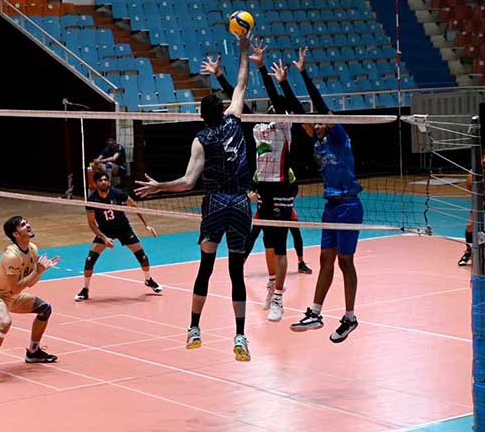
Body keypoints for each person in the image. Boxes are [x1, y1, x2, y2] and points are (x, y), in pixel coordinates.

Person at [136, 35, 253, 361]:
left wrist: (159, 186)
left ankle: (194, 328)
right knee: (237, 273)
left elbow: (188, 183)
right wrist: (243, 49)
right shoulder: (235, 120)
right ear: (223, 109)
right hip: (242, 204)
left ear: (202, 116)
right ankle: (240, 336)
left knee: (205, 267)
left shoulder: (201, 140)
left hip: (215, 205)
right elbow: (241, 84)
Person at [202, 39, 308, 323]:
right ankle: (272, 283)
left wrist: (262, 69)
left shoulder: (285, 125)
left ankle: (278, 299)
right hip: (262, 190)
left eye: (275, 106)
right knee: (268, 245)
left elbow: (277, 99)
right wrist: (219, 76)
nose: (271, 108)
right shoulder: (258, 126)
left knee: (281, 244)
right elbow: (237, 102)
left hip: (282, 188)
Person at [273, 48, 363, 343]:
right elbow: (300, 113)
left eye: (323, 119)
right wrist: (284, 83)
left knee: (344, 261)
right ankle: (315, 311)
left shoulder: (339, 137)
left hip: (350, 205)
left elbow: (318, 105)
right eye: (318, 121)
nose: (319, 122)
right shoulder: (317, 141)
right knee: (325, 259)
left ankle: (350, 317)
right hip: (331, 206)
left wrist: (303, 73)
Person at [0, 216, 60, 387]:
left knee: (45, 309)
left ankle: (33, 352)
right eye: (23, 225)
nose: (28, 225)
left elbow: (29, 283)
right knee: (5, 323)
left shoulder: (33, 249)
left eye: (27, 222)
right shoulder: (11, 256)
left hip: (13, 297)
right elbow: (16, 287)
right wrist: (37, 271)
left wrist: (39, 272)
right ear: (15, 233)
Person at [75, 171, 162, 301]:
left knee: (143, 257)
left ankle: (148, 280)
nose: (103, 182)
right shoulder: (92, 200)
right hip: (105, 231)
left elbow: (134, 206)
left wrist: (146, 225)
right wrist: (104, 238)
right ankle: (85, 290)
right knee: (89, 260)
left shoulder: (117, 194)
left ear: (109, 182)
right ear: (95, 183)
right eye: (100, 180)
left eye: (105, 180)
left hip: (123, 229)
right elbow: (92, 224)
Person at [459, 149, 485, 266]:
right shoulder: (475, 173)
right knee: (471, 225)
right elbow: (471, 188)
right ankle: (470, 252)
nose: (484, 160)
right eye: (483, 158)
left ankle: (481, 249)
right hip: (480, 201)